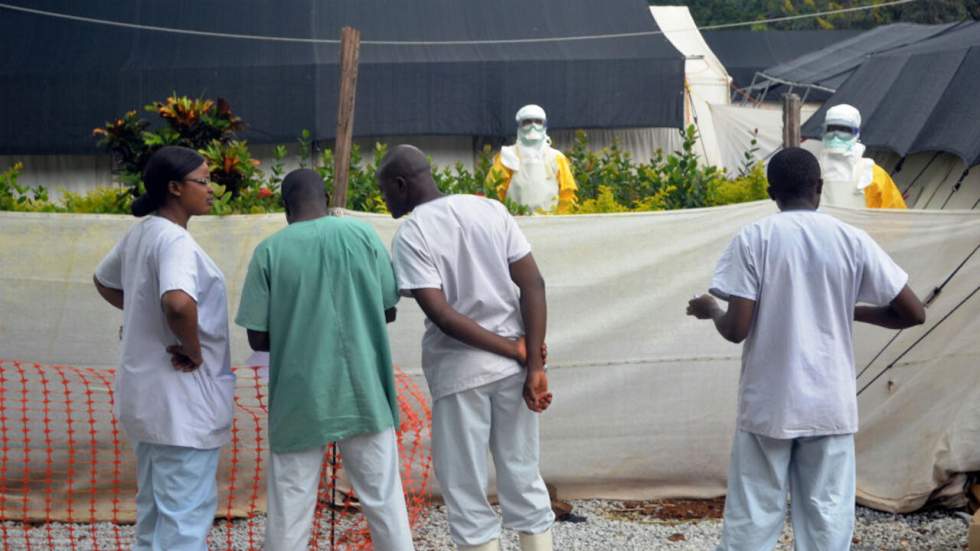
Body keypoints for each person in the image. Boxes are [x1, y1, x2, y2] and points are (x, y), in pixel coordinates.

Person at [686, 147, 925, 551]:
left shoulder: (753, 239)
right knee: (828, 520)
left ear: (770, 191)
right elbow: (913, 312)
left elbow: (737, 330)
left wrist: (712, 309)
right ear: (819, 187)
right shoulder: (851, 239)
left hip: (769, 406)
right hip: (829, 406)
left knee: (753, 516)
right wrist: (850, 312)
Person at [379, 145, 555, 551]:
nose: (384, 199)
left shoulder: (412, 233)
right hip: (515, 375)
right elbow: (534, 285)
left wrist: (517, 351)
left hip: (461, 376)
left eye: (385, 189)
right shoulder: (490, 210)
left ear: (402, 184)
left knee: (464, 487)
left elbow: (443, 315)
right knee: (523, 475)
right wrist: (531, 363)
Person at [235, 169, 414, 551]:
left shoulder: (270, 251)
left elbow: (257, 336)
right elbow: (388, 309)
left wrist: (298, 325)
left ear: (286, 207)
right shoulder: (363, 235)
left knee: (290, 506)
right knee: (384, 500)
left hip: (301, 398)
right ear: (327, 198)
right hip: (363, 389)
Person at [93, 145, 235, 550]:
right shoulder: (174, 241)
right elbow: (177, 302)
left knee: (154, 516)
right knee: (184, 522)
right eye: (203, 181)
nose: (212, 189)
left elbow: (104, 280)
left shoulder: (141, 233)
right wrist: (190, 348)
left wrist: (141, 315)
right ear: (174, 188)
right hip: (182, 404)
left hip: (147, 401)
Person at [486, 104, 578, 214]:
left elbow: (567, 193)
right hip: (515, 220)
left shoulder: (556, 157)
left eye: (538, 122)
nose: (533, 126)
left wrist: (561, 219)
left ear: (544, 126)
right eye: (527, 122)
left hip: (550, 222)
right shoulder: (507, 156)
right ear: (519, 126)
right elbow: (494, 191)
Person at [815, 103, 907, 209]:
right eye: (830, 129)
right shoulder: (813, 171)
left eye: (844, 131)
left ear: (856, 134)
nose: (836, 136)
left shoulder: (872, 174)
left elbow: (896, 217)